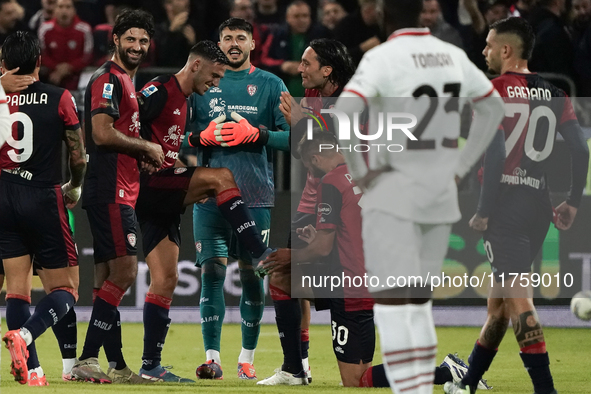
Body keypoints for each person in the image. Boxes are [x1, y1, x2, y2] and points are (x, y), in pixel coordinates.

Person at [332, 0, 505, 393]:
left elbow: (343, 112)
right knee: (419, 303)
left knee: (393, 307)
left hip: (392, 194)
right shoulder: (451, 54)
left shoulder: (382, 57)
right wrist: (460, 167)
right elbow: (493, 108)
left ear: (383, 14)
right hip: (439, 196)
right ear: (423, 14)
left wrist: (361, 172)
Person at [444, 17, 589, 394]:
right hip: (539, 206)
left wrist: (485, 209)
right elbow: (578, 148)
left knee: (519, 301)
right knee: (500, 306)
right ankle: (468, 384)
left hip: (504, 209)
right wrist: (572, 201)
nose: (484, 51)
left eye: (489, 45)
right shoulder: (556, 92)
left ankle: (546, 390)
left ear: (506, 50)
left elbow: (494, 154)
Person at [136, 39, 274, 382]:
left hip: (163, 189)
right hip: (147, 184)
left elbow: (172, 146)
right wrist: (139, 152)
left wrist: (187, 171)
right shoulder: (160, 89)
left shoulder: (186, 100)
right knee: (222, 178)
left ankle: (150, 366)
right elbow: (125, 121)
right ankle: (261, 252)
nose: (215, 84)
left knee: (165, 280)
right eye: (213, 76)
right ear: (196, 66)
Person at [186, 17, 290, 380]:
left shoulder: (270, 84)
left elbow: (295, 137)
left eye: (240, 38)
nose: (233, 43)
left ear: (251, 44)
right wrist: (202, 137)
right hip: (208, 196)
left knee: (251, 275)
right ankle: (211, 357)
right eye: (226, 37)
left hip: (255, 196)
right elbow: (178, 136)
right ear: (219, 43)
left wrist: (257, 133)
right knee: (212, 273)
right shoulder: (203, 82)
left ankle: (246, 358)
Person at [71, 9, 164, 384]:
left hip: (119, 186)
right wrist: (145, 147)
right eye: (131, 39)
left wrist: (139, 156)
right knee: (125, 270)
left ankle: (119, 365)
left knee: (108, 275)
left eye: (143, 40)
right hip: (110, 188)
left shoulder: (125, 79)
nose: (137, 46)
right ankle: (87, 359)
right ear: (115, 38)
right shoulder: (108, 79)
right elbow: (102, 133)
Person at [263, 37, 356, 386]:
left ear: (327, 70)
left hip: (339, 207)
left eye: (307, 62)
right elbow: (307, 152)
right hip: (308, 205)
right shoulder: (315, 98)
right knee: (284, 277)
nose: (299, 68)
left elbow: (335, 156)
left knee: (337, 290)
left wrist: (301, 124)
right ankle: (293, 368)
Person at [0, 31, 85, 386]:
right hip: (42, 195)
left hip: (3, 196)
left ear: (3, 64)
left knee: (17, 289)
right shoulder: (60, 97)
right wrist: (74, 185)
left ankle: (33, 372)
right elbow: (78, 155)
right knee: (66, 289)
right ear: (39, 62)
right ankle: (26, 336)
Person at [38, 0, 93, 90]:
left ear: (74, 10)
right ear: (55, 9)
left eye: (68, 7)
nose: (64, 11)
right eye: (60, 7)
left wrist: (68, 68)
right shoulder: (44, 29)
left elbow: (87, 56)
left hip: (78, 74)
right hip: (52, 75)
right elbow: (43, 55)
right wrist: (56, 68)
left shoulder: (84, 29)